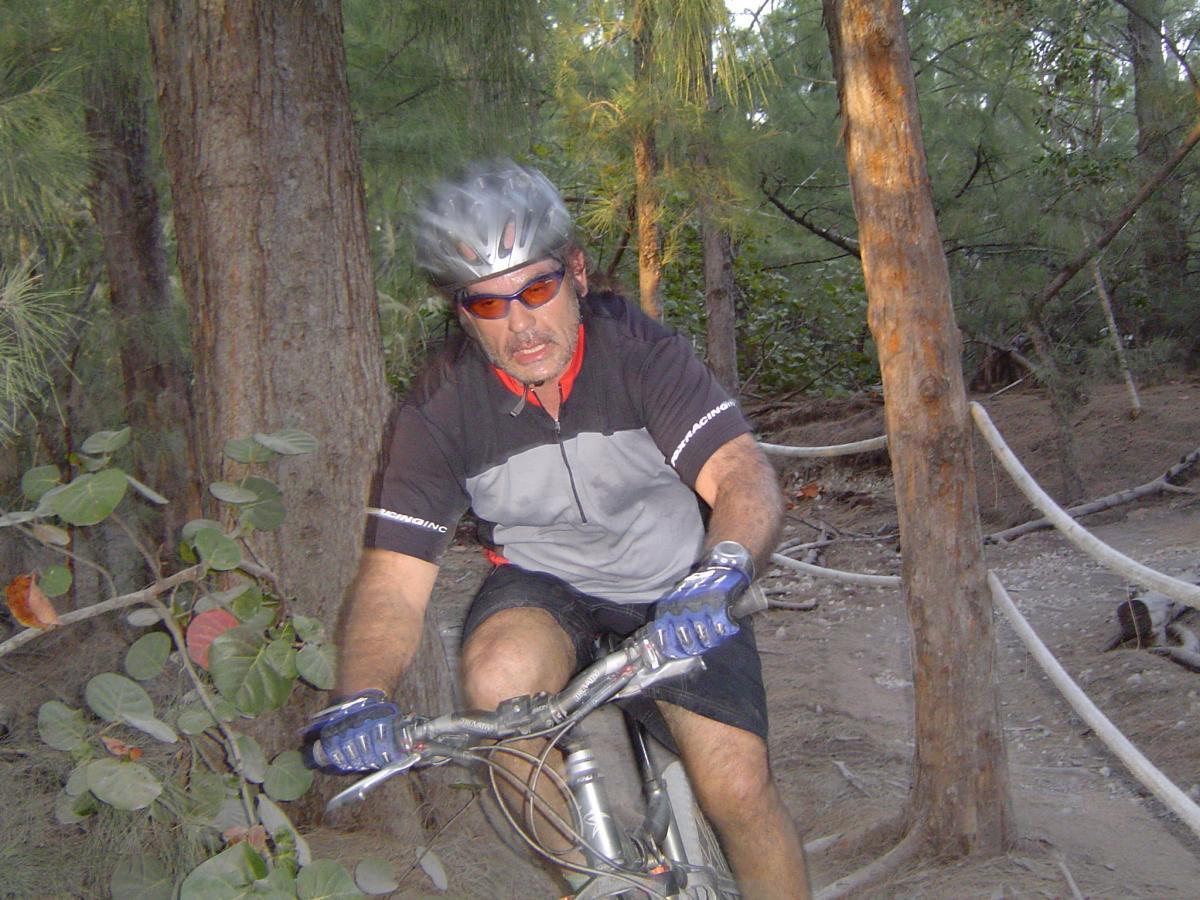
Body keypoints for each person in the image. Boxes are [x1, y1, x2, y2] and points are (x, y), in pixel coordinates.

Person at [306, 160, 810, 899]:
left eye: (536, 288)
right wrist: (361, 694)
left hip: (676, 582)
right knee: (497, 683)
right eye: (487, 304)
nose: (520, 324)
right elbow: (392, 582)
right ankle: (597, 880)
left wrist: (724, 567)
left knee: (737, 786)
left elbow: (740, 474)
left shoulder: (639, 353)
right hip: (544, 587)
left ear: (575, 273)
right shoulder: (438, 408)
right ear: (461, 312)